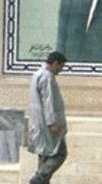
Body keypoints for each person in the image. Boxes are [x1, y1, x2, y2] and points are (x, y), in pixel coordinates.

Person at [27, 51, 68, 184]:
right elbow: (48, 101)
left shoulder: (37, 75)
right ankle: (39, 178)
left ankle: (42, 180)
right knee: (60, 153)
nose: (61, 70)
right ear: (55, 63)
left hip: (38, 123)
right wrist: (52, 122)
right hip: (47, 125)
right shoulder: (47, 77)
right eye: (61, 67)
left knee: (45, 155)